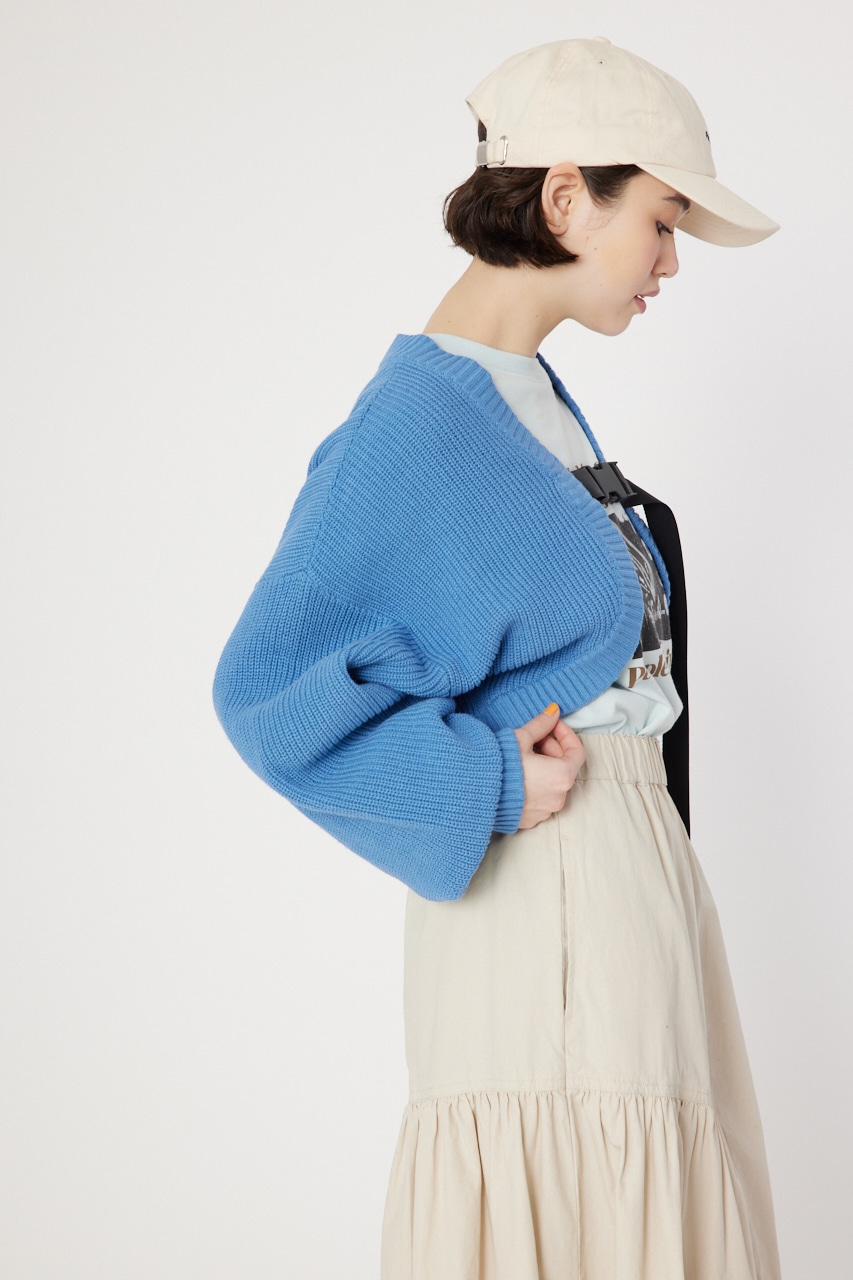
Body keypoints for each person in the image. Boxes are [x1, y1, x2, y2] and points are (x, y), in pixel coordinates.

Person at [213, 37, 782, 1280]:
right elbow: (264, 691)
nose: (671, 261)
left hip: (621, 888)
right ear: (567, 196)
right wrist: (482, 780)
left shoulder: (526, 393)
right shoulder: (420, 418)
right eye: (662, 220)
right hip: (551, 909)